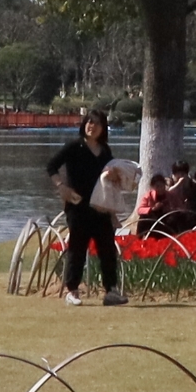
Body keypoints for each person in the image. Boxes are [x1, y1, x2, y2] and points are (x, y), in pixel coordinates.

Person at [46, 111, 129, 306]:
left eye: (98, 124)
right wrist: (62, 187)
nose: (92, 126)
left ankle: (111, 291)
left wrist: (115, 176)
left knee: (107, 249)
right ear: (84, 124)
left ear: (103, 128)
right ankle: (72, 291)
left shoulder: (105, 150)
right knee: (77, 248)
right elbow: (51, 166)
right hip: (78, 206)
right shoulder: (74, 146)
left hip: (101, 206)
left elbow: (111, 176)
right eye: (90, 122)